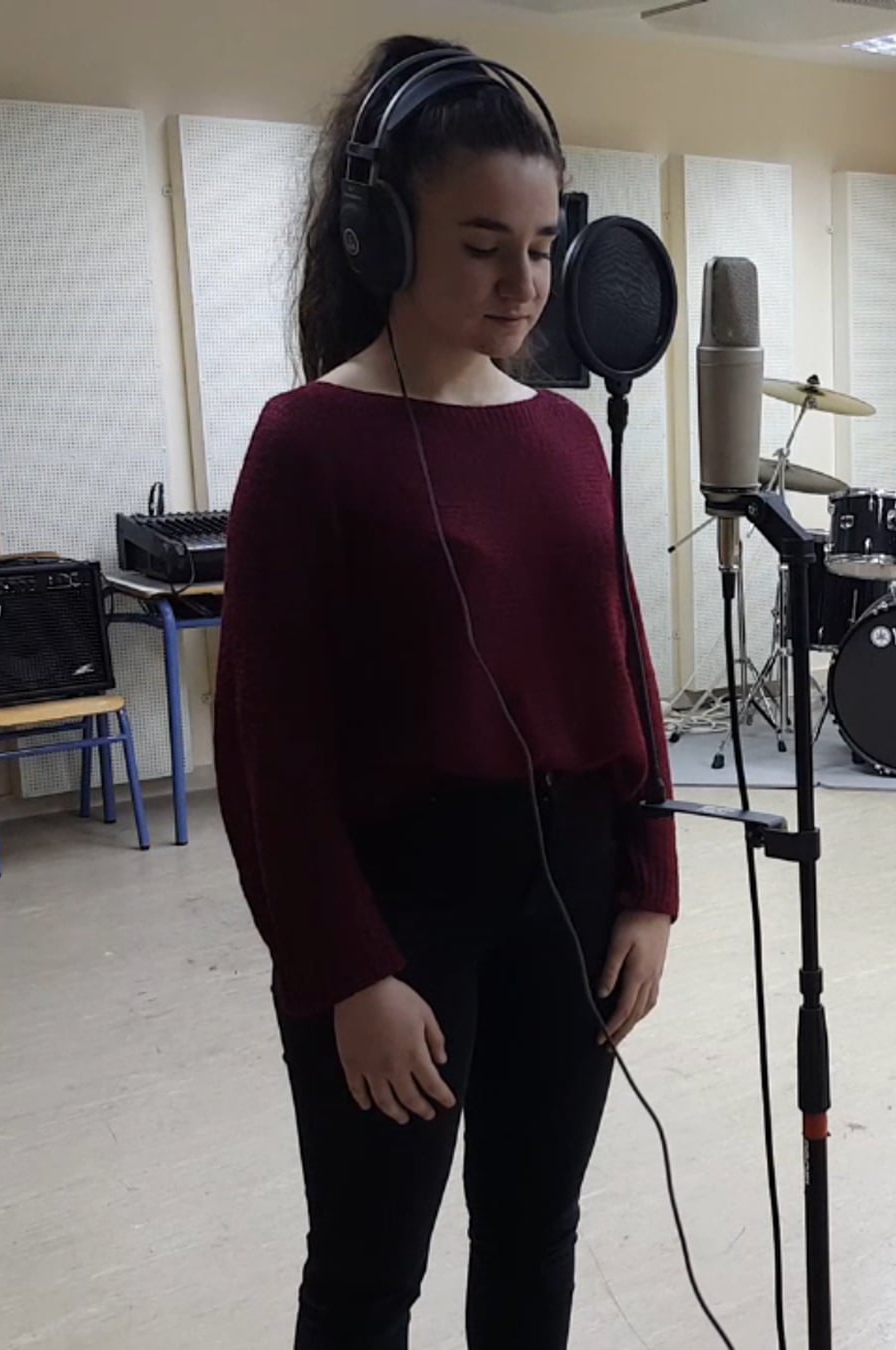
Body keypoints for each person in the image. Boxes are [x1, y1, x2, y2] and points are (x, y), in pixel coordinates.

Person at [213, 34, 678, 1349]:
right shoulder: (307, 441)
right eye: (483, 246)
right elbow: (269, 752)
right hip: (397, 902)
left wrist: (649, 886)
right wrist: (346, 972)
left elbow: (624, 667)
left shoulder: (564, 433)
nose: (523, 284)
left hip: (570, 888)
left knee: (534, 1237)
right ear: (384, 237)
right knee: (369, 1270)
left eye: (541, 247)